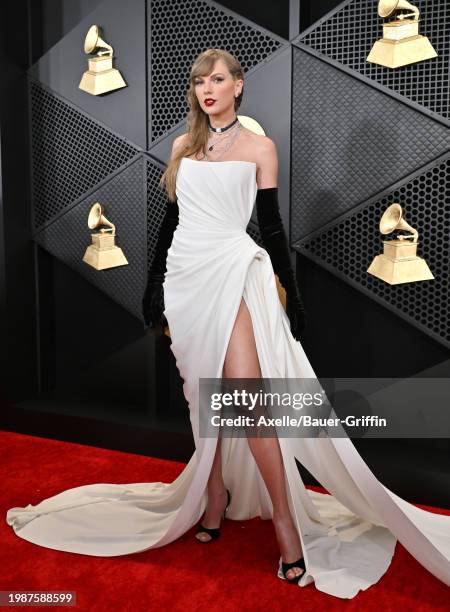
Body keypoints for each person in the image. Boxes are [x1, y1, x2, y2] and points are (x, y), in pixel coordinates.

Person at [6, 48, 450, 600]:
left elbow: (271, 226)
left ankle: (287, 526)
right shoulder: (183, 147)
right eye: (198, 82)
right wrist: (151, 286)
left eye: (217, 80)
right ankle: (212, 499)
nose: (207, 89)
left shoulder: (260, 148)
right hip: (185, 280)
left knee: (246, 400)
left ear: (238, 86)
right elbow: (170, 224)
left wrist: (294, 296)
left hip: (233, 272)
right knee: (200, 397)